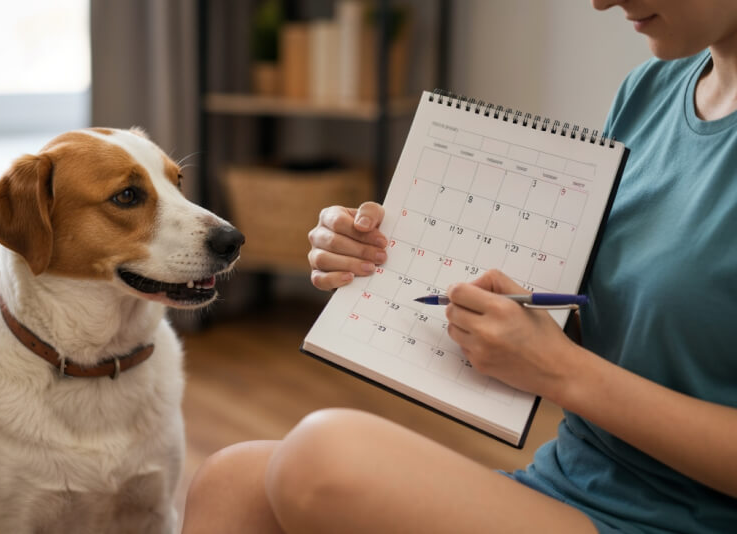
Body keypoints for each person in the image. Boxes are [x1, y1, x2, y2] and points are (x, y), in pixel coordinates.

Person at [181, 1, 737, 532]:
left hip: (678, 518)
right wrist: (387, 259)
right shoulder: (652, 90)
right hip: (576, 477)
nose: (600, 2)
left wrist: (560, 369)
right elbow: (622, 320)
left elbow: (575, 363)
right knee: (231, 481)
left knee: (322, 455)